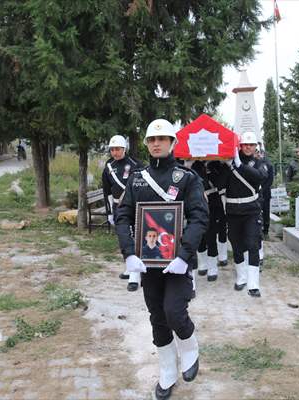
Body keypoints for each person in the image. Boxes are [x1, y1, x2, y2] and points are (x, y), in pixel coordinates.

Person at [115, 118, 208, 400]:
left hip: (178, 262)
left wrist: (184, 255)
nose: (156, 144)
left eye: (162, 139)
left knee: (174, 312)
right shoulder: (137, 179)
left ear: (172, 143)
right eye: (152, 140)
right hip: (148, 263)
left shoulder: (188, 179)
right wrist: (129, 252)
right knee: (157, 317)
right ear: (146, 144)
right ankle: (167, 371)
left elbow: (199, 217)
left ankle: (190, 346)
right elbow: (122, 217)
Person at [219, 131, 268, 297]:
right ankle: (241, 277)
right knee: (236, 244)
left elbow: (260, 177)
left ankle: (253, 284)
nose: (248, 147)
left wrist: (240, 165)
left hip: (251, 211)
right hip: (233, 211)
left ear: (255, 147)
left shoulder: (259, 163)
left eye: (251, 145)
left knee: (253, 244)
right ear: (239, 146)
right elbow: (220, 183)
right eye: (245, 144)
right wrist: (225, 165)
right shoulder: (229, 163)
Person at [101, 134, 143, 291]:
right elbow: (107, 191)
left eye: (117, 149)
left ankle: (134, 277)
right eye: (112, 149)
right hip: (118, 207)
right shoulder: (109, 166)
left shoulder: (136, 164)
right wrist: (110, 212)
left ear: (124, 148)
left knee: (134, 238)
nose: (115, 152)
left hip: (133, 206)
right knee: (123, 238)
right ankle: (129, 266)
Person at [256, 145, 274, 246]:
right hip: (254, 193)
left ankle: (266, 231)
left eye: (260, 152)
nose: (258, 154)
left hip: (265, 193)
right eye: (257, 152)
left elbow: (270, 180)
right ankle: (258, 230)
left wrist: (262, 189)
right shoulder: (252, 163)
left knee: (266, 212)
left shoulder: (268, 164)